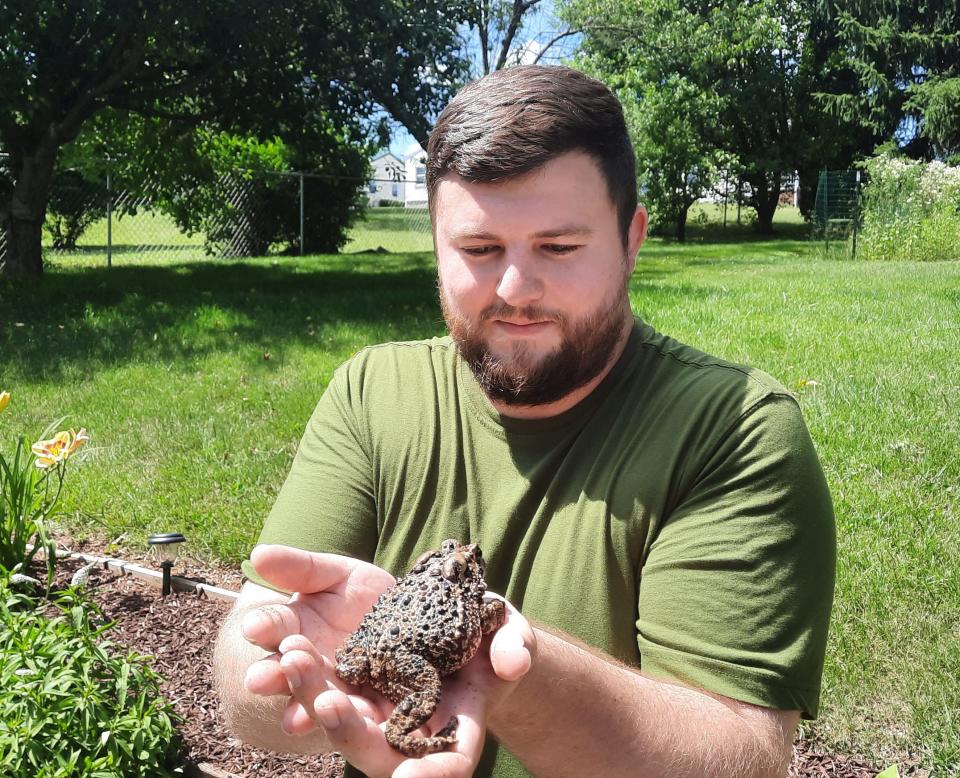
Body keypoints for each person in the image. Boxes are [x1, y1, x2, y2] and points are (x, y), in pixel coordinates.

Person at [213, 64, 836, 778]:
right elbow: (248, 667)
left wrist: (513, 676)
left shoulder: (735, 428)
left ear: (631, 240)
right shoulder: (372, 390)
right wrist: (288, 670)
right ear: (437, 250)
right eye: (479, 250)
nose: (515, 289)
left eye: (559, 248)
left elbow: (739, 758)